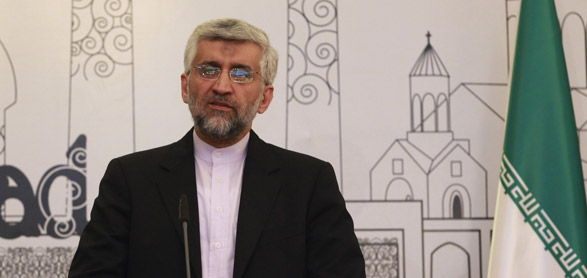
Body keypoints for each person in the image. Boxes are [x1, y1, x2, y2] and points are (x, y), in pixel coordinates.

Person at [69, 18, 365, 278]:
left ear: (264, 98)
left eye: (240, 74)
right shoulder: (130, 179)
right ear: (186, 87)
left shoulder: (309, 182)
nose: (222, 86)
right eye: (209, 70)